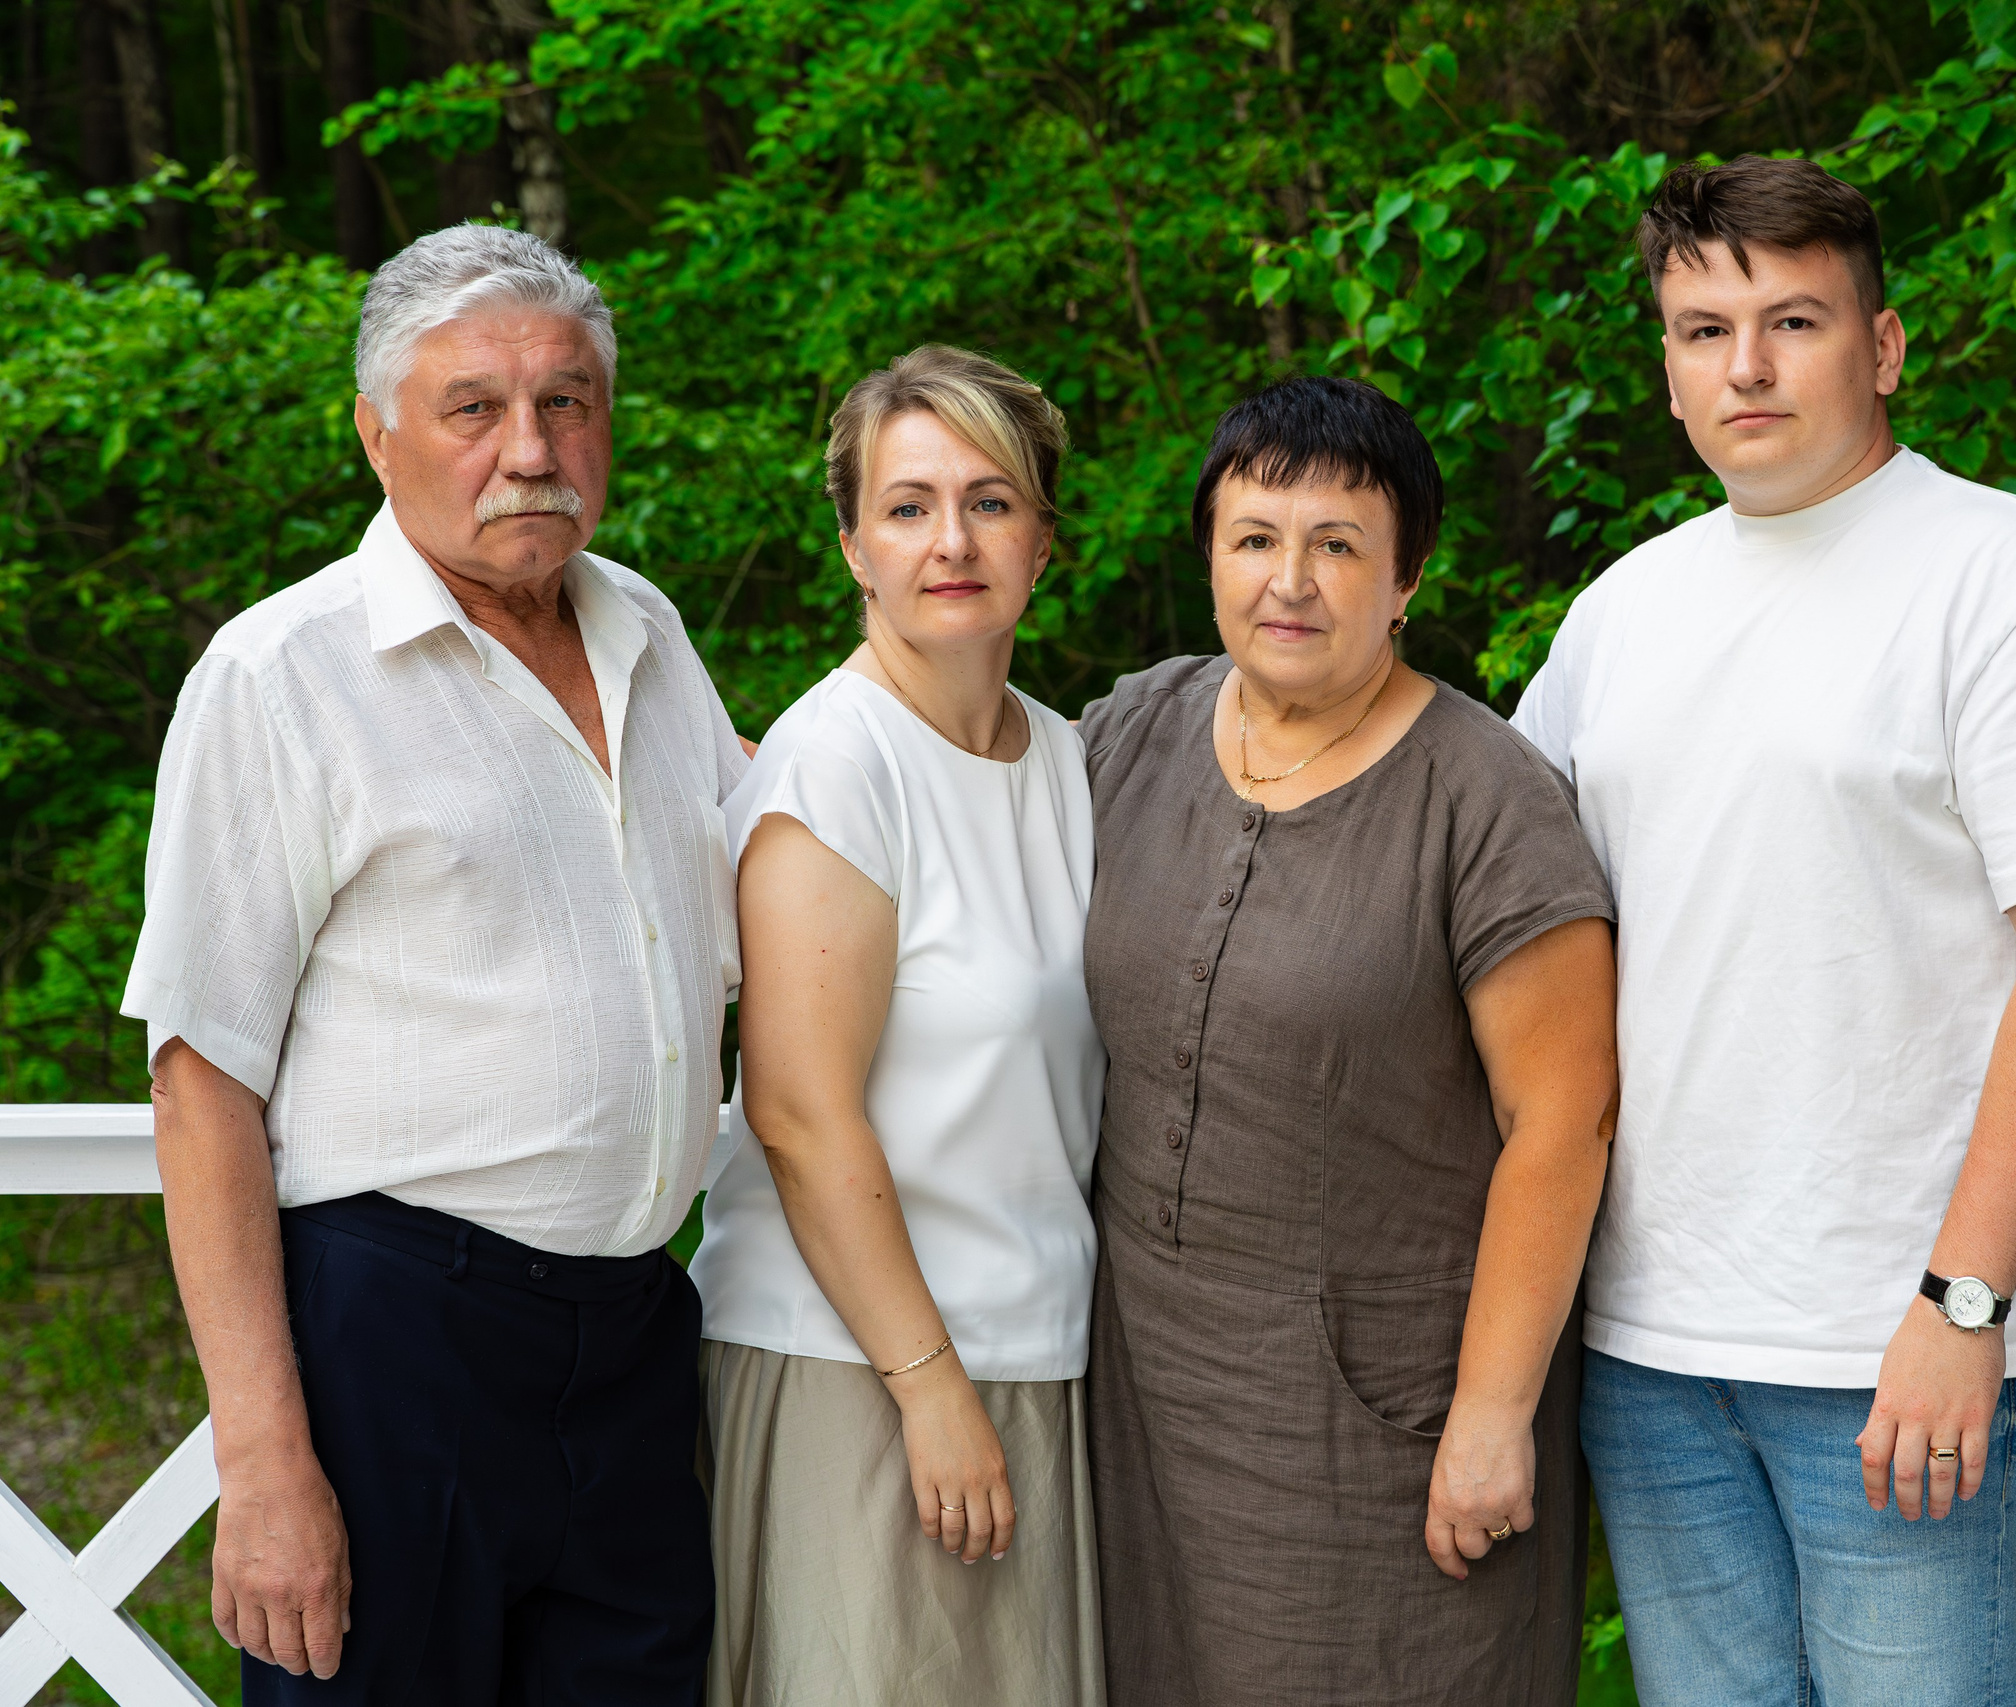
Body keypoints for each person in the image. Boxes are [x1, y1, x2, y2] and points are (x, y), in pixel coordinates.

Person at [1510, 155, 2016, 1705]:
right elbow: (1498, 914)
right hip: (1652, 1342)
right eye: (1700, 330)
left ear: (1882, 348)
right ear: (1666, 368)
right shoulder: (1622, 612)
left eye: (1791, 320)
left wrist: (1966, 1307)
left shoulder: (2011, 580)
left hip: (1904, 1346)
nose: (1744, 367)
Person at [124, 223, 744, 1702]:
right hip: (396, 1344)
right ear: (376, 433)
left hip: (641, 1338)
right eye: (473, 407)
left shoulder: (650, 630)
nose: (529, 448)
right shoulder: (281, 675)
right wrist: (265, 1461)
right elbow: (200, 1083)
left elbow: (773, 915)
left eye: (567, 401)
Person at [1078, 376, 1620, 1706]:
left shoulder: (1487, 799)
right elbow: (941, 839)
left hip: (1381, 1417)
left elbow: (1564, 1122)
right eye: (1256, 537)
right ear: (1209, 554)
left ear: (1406, 576)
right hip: (1145, 1390)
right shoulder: (1131, 731)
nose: (1291, 580)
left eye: (1338, 544)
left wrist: (1492, 1416)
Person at [687, 345, 1106, 1706]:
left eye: (990, 501)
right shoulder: (835, 766)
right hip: (858, 1376)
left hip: (1039, 1359)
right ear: (854, 543)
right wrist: (928, 1393)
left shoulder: (1071, 759)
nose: (952, 540)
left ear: (1043, 538)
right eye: (910, 505)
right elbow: (804, 1117)